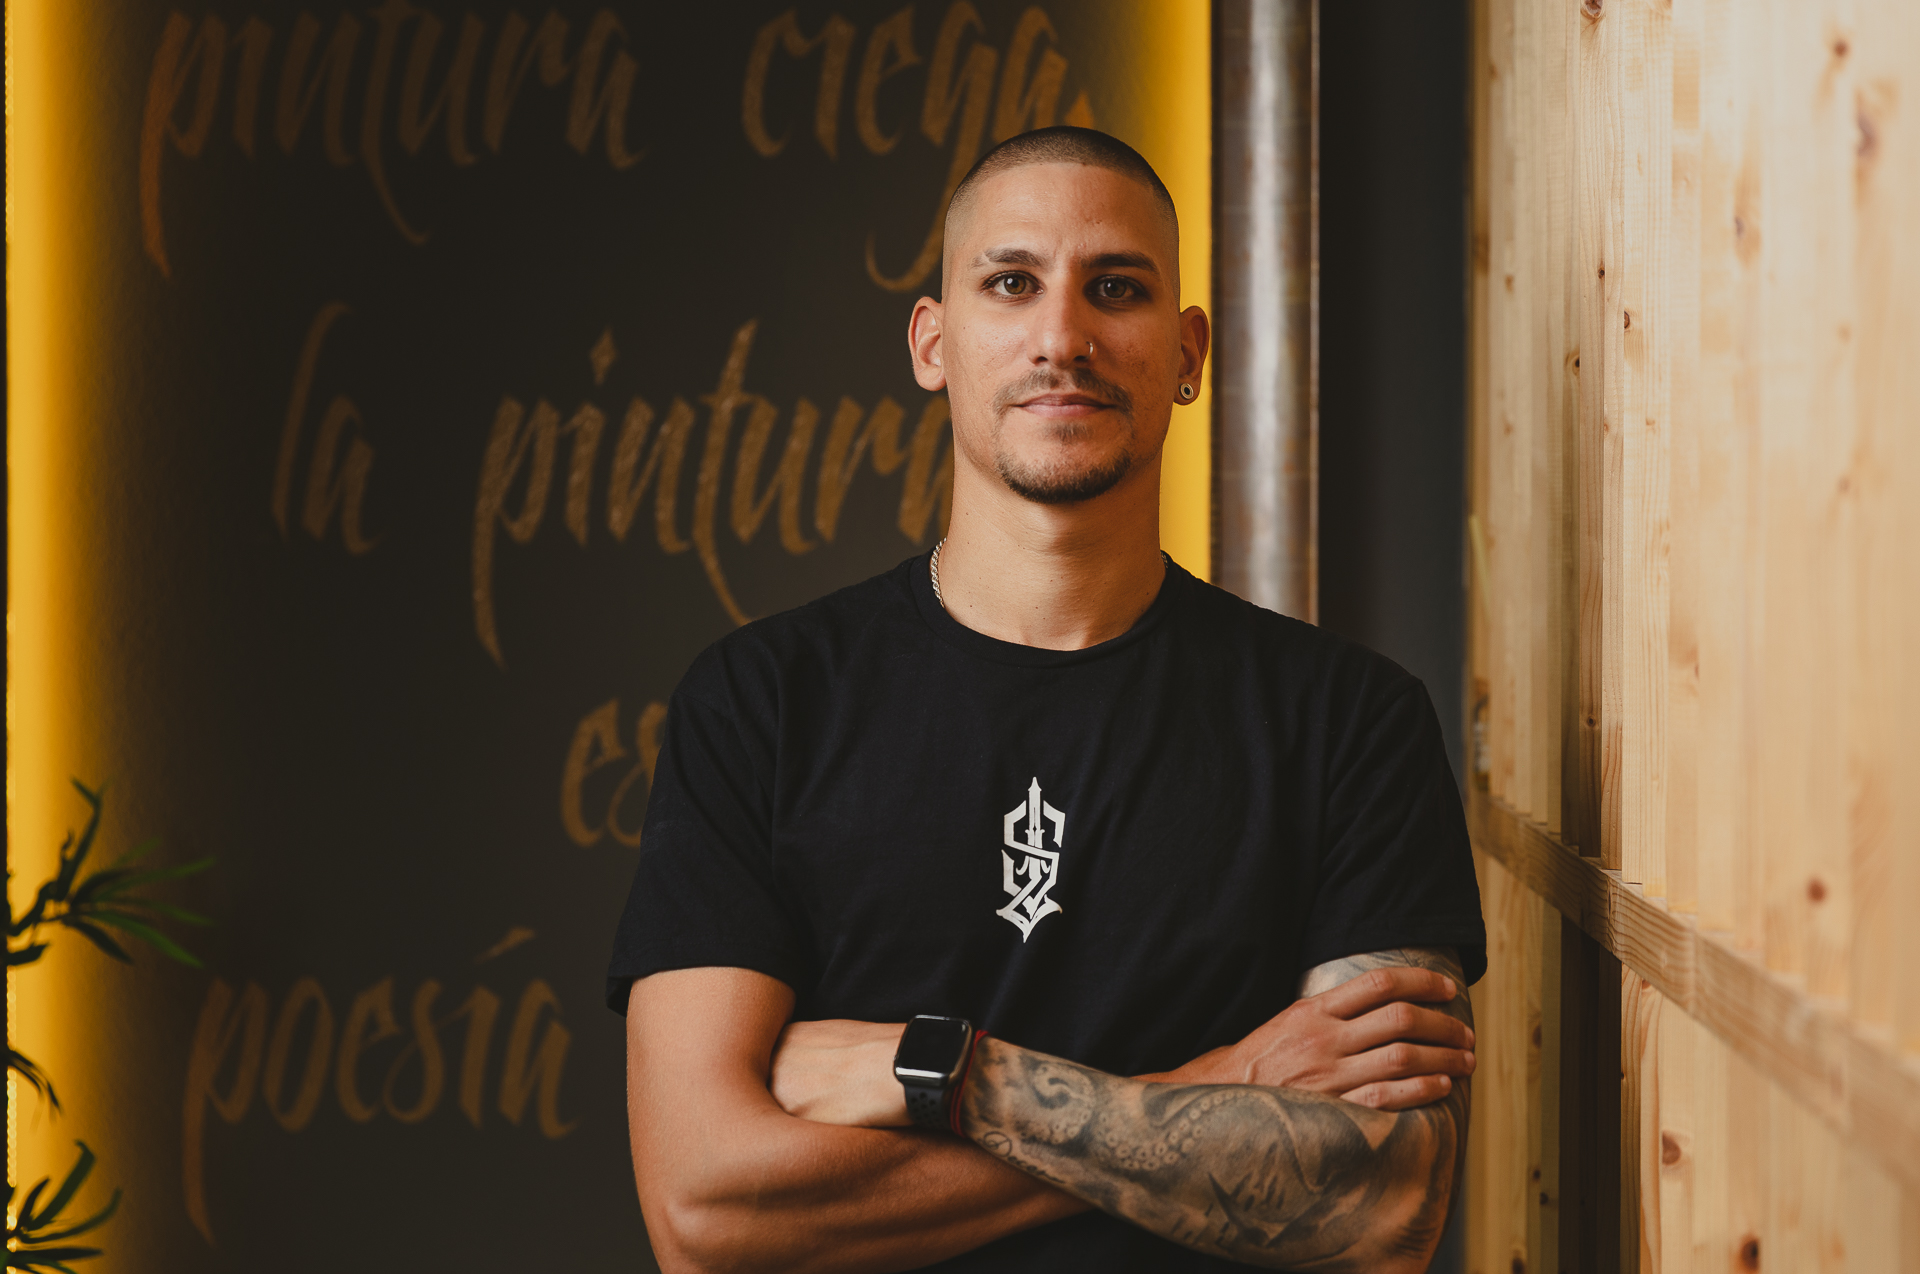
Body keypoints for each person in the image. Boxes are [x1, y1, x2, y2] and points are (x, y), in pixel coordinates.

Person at [607, 126, 1485, 1273]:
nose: (1063, 336)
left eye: (1115, 288)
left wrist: (958, 1076)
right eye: (1012, 283)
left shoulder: (1353, 725)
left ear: (1188, 351)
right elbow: (707, 1212)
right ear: (934, 343)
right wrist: (1220, 1084)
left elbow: (1386, 1198)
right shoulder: (759, 704)